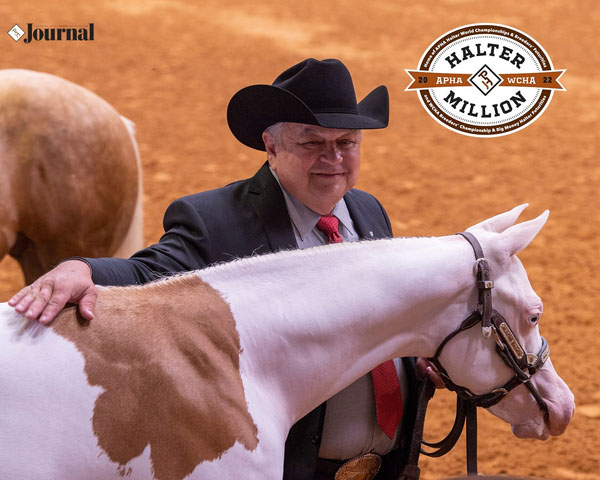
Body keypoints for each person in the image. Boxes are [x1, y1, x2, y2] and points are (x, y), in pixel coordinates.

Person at [9, 58, 441, 480]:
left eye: (346, 142)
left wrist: (415, 357)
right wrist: (82, 268)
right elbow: (152, 273)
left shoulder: (368, 213)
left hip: (389, 466)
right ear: (271, 146)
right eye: (312, 143)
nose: (333, 158)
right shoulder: (217, 221)